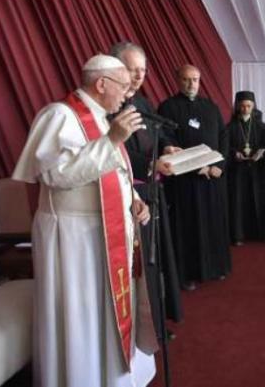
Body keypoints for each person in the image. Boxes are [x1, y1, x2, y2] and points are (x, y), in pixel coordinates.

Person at [12, 54, 157, 387]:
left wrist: (135, 202)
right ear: (101, 83)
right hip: (74, 238)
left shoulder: (105, 119)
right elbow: (55, 173)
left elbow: (114, 174)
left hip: (107, 233)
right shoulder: (59, 115)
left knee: (106, 314)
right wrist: (111, 141)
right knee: (81, 317)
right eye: (123, 84)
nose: (128, 93)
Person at [109, 41, 183, 338]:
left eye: (142, 70)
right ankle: (138, 329)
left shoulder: (140, 101)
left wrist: (166, 145)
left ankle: (155, 324)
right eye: (132, 69)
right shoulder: (109, 105)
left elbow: (157, 131)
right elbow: (116, 155)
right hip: (129, 196)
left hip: (152, 191)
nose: (138, 76)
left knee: (154, 265)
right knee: (137, 269)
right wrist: (152, 165)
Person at [158, 64, 231, 290]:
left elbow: (224, 137)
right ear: (177, 80)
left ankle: (216, 267)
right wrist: (192, 166)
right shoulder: (167, 108)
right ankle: (188, 274)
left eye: (196, 80)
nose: (192, 84)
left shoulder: (211, 107)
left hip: (212, 178)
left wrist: (219, 164)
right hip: (186, 180)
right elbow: (165, 140)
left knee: (213, 223)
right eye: (187, 80)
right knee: (188, 226)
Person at [226, 91, 265, 244]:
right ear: (237, 107)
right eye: (242, 106)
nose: (245, 109)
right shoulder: (230, 127)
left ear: (253, 107)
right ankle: (239, 235)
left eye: (248, 106)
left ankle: (262, 233)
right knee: (238, 202)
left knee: (259, 200)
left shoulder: (261, 126)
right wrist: (234, 154)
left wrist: (262, 152)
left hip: (257, 170)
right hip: (238, 171)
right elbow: (225, 147)